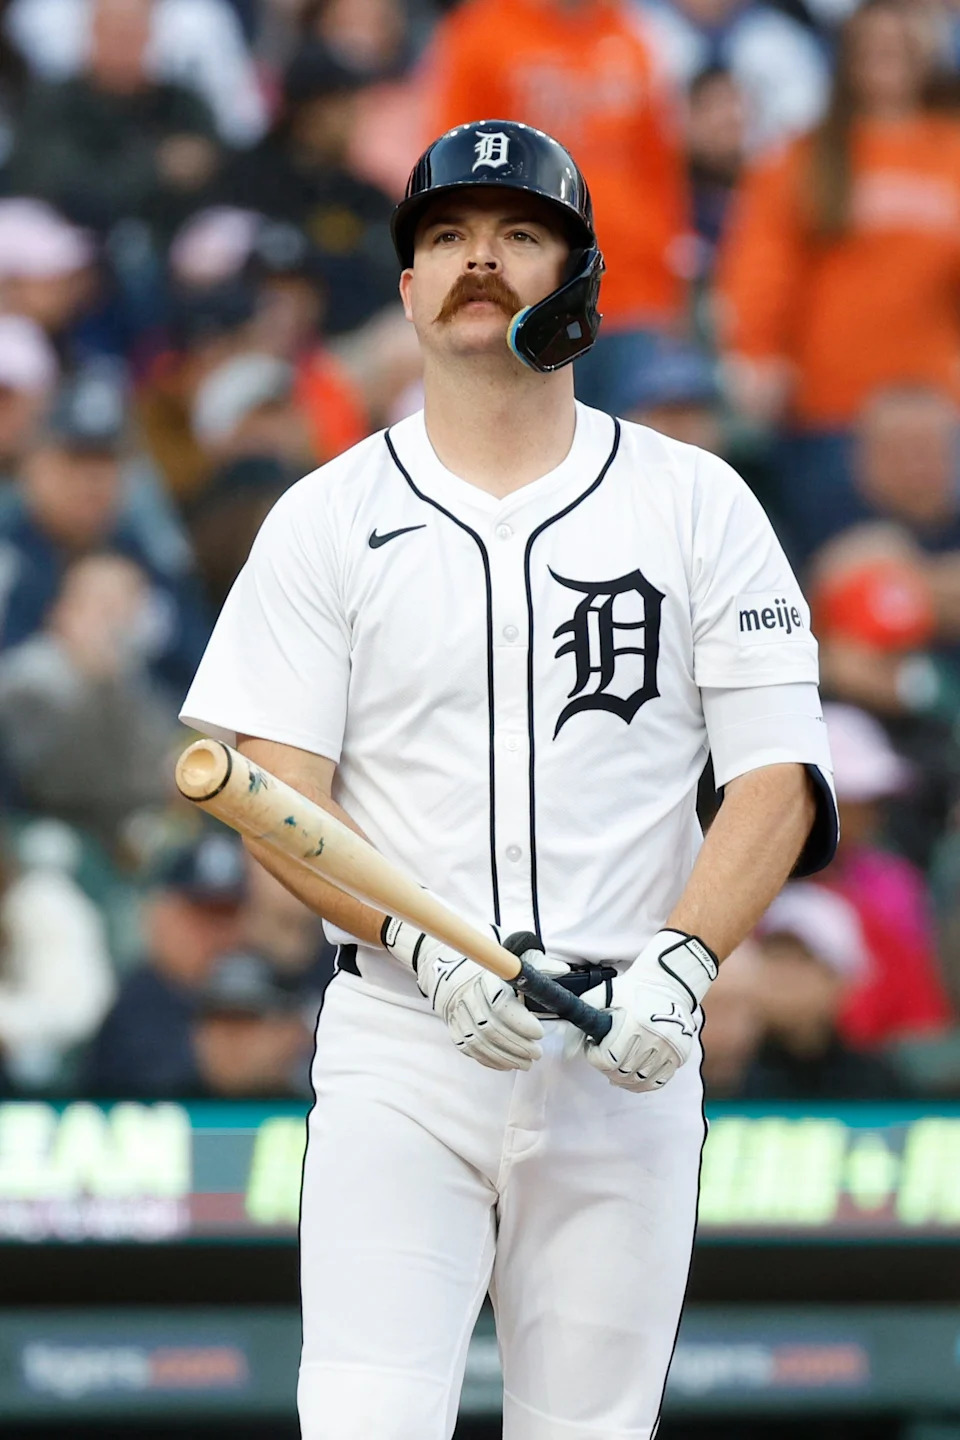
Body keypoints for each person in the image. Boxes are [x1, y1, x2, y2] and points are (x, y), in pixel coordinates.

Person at [180, 119, 837, 1439]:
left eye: (518, 234)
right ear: (410, 288)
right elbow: (275, 793)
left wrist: (691, 958)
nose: (479, 259)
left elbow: (781, 776)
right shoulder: (325, 516)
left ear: (578, 279)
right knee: (363, 1419)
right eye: (446, 239)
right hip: (404, 1036)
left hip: (627, 1046)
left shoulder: (694, 502)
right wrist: (424, 949)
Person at [716, 0, 960, 558]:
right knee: (850, 570)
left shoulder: (952, 148)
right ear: (845, 60)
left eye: (900, 48)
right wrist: (755, 353)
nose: (886, 61)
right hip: (832, 408)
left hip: (936, 411)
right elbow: (761, 266)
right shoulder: (806, 155)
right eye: (872, 49)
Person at [422, 0, 691, 415]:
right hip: (531, 292)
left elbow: (659, 173)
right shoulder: (480, 35)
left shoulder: (634, 35)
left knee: (628, 458)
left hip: (634, 292)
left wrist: (668, 284)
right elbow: (452, 175)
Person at [83, 831, 246, 1096]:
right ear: (161, 917)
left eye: (228, 915)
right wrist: (211, 1061)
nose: (217, 934)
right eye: (201, 916)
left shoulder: (262, 984)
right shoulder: (137, 1002)